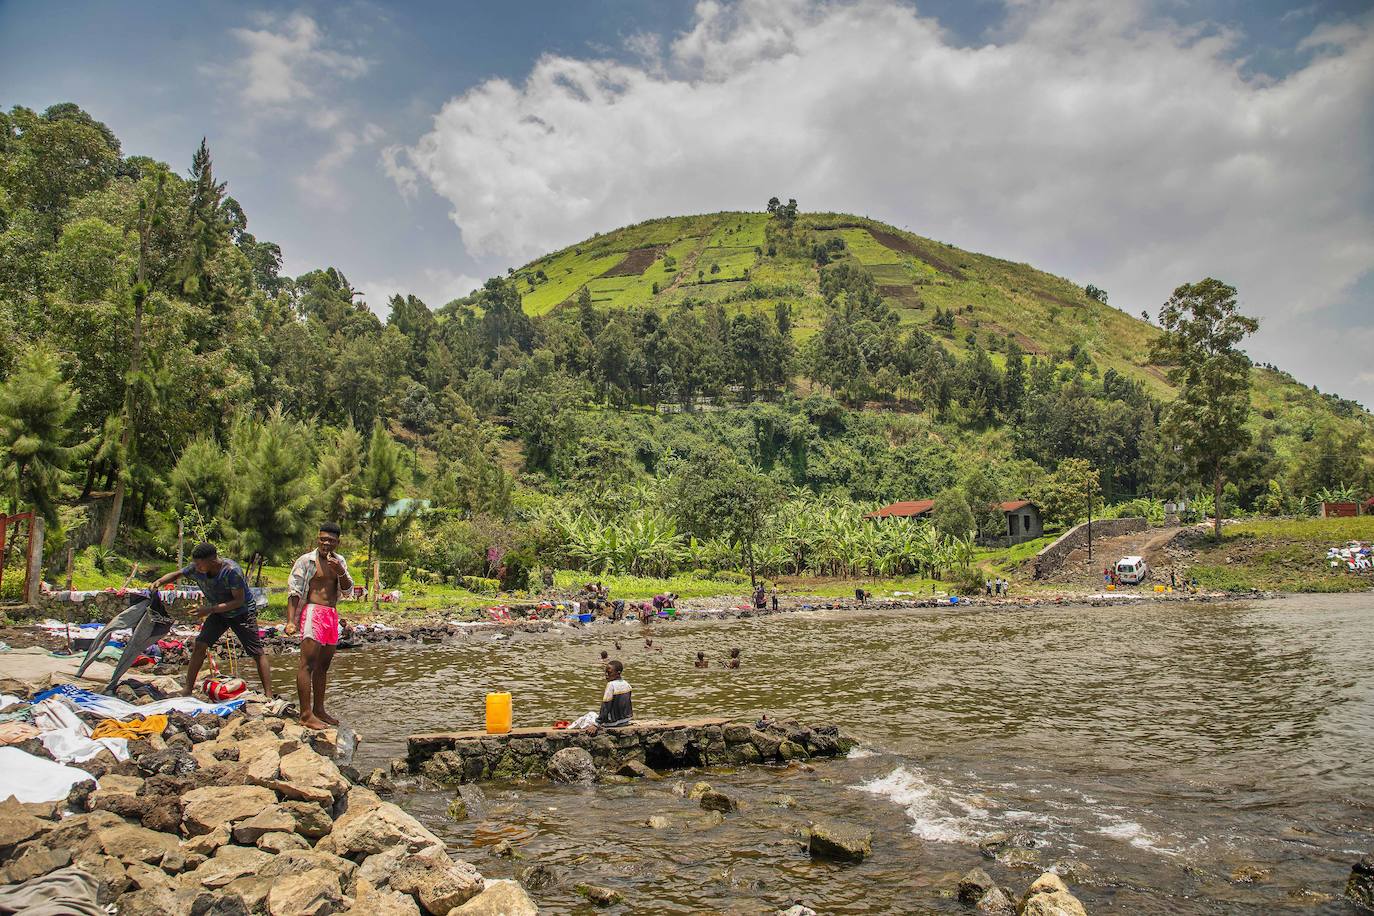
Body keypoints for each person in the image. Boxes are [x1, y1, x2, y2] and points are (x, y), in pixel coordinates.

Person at [153, 542, 272, 698]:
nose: (196, 567)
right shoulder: (196, 568)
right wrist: (159, 582)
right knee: (200, 644)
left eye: (199, 563)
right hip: (219, 612)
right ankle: (187, 689)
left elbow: (238, 601)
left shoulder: (231, 571)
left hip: (241, 612)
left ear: (212, 560)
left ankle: (268, 694)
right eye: (195, 563)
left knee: (256, 652)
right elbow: (177, 574)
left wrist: (208, 610)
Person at [286, 523, 354, 730]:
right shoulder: (306, 560)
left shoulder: (339, 561)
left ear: (337, 542)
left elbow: (348, 590)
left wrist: (340, 571)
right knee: (307, 664)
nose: (326, 543)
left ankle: (319, 709)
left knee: (324, 666)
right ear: (318, 539)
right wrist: (290, 621)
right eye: (323, 539)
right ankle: (305, 714)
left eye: (331, 540)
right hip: (313, 612)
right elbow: (294, 591)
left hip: (331, 615)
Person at [584, 660, 633, 734]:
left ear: (618, 673)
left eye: (609, 673)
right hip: (625, 720)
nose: (606, 675)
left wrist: (597, 724)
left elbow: (605, 707)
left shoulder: (611, 685)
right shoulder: (627, 684)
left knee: (588, 716)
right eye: (605, 672)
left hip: (613, 722)